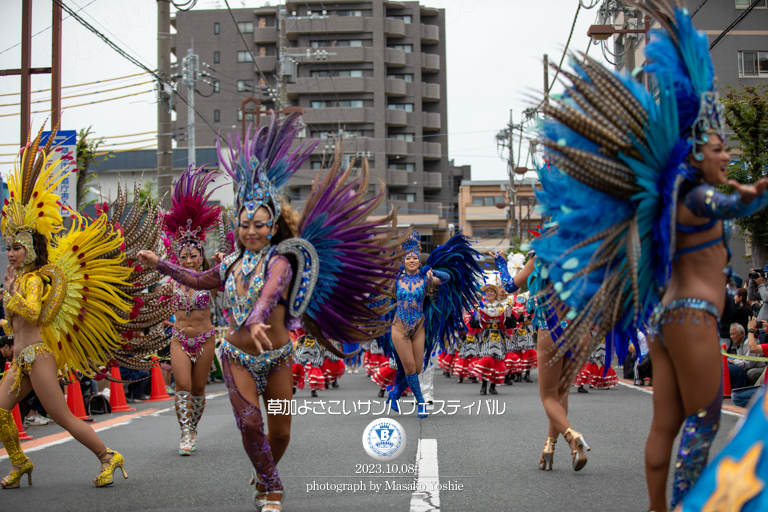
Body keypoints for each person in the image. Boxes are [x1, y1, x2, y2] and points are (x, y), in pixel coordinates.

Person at [527, 4, 768, 509]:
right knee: (703, 421)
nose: (728, 156)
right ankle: (683, 505)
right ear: (696, 154)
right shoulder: (695, 196)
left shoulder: (669, 197)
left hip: (664, 321)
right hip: (693, 317)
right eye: (720, 148)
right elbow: (724, 201)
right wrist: (748, 197)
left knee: (667, 424)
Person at [138, 114, 402, 511]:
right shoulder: (227, 265)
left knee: (279, 434)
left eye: (259, 224)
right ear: (238, 224)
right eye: (244, 223)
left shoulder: (283, 260)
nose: (251, 231)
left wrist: (259, 316)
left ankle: (264, 472)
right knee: (249, 424)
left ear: (273, 224)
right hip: (237, 358)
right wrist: (161, 263)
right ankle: (272, 488)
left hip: (278, 360)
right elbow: (195, 280)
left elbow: (270, 293)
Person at [0, 128, 169, 489]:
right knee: (0, 411)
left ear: (30, 247)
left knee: (62, 415)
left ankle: (108, 456)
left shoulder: (31, 281)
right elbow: (19, 321)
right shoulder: (21, 278)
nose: (11, 252)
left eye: (16, 246)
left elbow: (32, 312)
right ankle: (19, 463)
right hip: (21, 358)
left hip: (38, 357)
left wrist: (11, 296)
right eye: (8, 247)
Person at [494, 250, 591, 473]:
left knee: (548, 396)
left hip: (552, 328)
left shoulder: (542, 255)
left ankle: (572, 437)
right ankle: (549, 447)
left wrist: (500, 261)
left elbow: (509, 286)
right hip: (582, 328)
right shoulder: (589, 250)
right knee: (560, 395)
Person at [385, 231, 483, 418]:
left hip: (419, 327)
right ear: (403, 261)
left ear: (419, 260)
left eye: (415, 257)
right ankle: (421, 402)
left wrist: (431, 271)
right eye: (408, 258)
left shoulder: (426, 279)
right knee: (409, 368)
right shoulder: (395, 280)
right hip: (399, 327)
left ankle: (395, 392)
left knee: (419, 368)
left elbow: (447, 278)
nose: (412, 260)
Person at [161, 166, 223, 455]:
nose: (187, 260)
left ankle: (192, 427)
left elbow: (230, 281)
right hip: (180, 339)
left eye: (192, 255)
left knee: (199, 391)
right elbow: (159, 304)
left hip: (206, 339)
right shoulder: (171, 280)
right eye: (183, 256)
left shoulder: (210, 279)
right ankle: (185, 434)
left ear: (201, 257)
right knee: (182, 385)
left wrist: (224, 262)